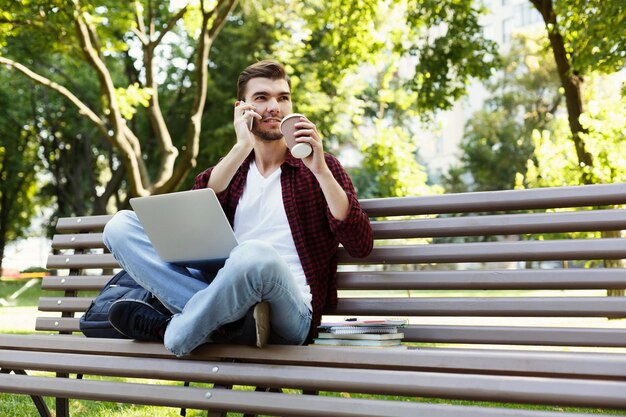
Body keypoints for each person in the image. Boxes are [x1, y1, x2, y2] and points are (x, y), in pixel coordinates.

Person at [102, 60, 373, 357]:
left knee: (253, 253)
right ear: (241, 108)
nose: (274, 107)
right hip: (227, 295)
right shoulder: (232, 171)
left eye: (283, 98)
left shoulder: (321, 166)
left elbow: (360, 244)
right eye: (262, 98)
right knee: (120, 226)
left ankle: (172, 330)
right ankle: (228, 322)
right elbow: (194, 220)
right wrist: (241, 146)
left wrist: (320, 169)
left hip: (291, 312)